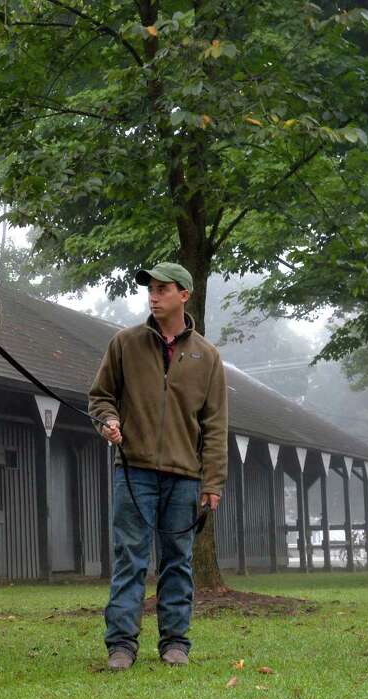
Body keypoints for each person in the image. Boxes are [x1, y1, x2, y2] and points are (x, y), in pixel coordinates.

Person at [88, 261, 228, 670]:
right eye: (150, 287)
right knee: (129, 558)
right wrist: (109, 422)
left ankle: (175, 643)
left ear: (184, 295)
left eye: (163, 289)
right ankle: (121, 646)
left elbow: (215, 425)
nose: (154, 294)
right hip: (133, 471)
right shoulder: (124, 344)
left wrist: (213, 482)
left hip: (185, 477)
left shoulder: (208, 356)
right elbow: (100, 397)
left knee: (177, 561)